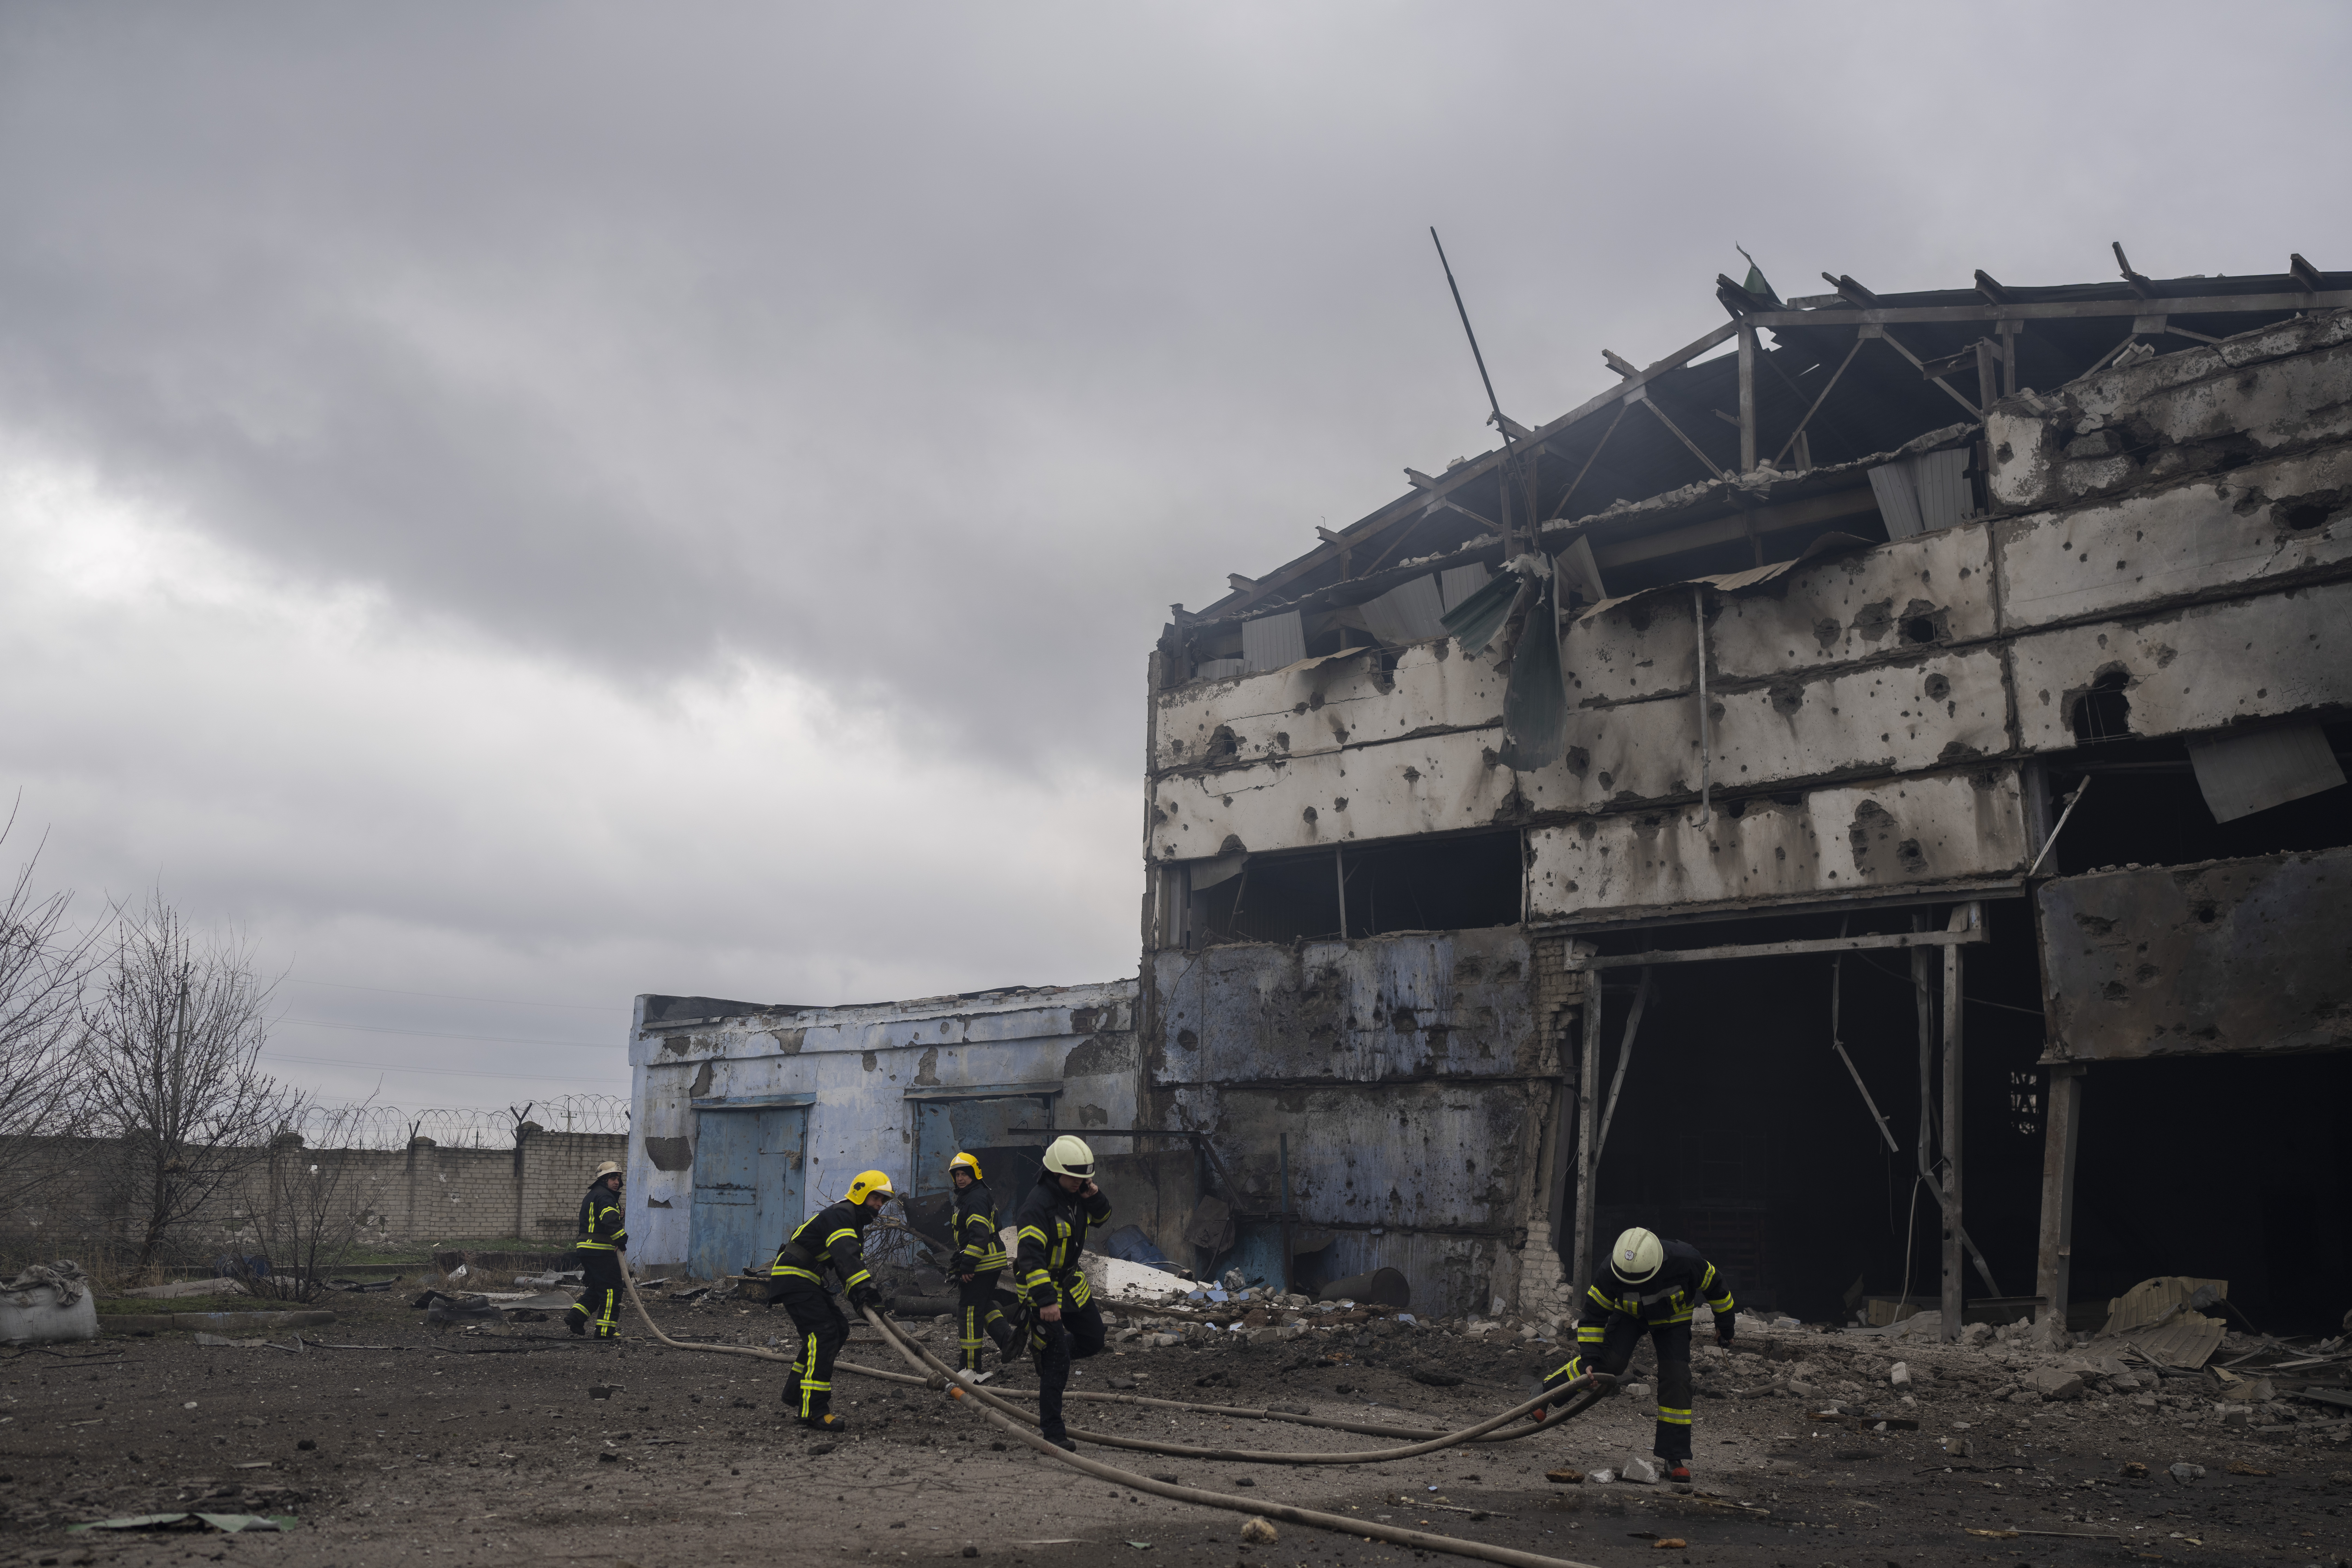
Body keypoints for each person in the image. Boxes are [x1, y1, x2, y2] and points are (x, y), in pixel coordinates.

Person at [1542, 1226, 1735, 1483]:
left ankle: (1673, 1458)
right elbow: (1594, 1316)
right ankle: (1546, 1394)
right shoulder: (1610, 1271)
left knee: (1677, 1379)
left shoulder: (1687, 1261)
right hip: (1630, 1316)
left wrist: (1726, 1327)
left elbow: (1718, 1289)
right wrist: (1589, 1358)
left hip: (1673, 1320)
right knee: (1608, 1363)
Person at [768, 1168, 895, 1432]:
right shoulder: (842, 1216)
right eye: (876, 1198)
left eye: (883, 1201)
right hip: (795, 1278)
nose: (879, 1205)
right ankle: (814, 1409)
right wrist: (868, 1292)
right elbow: (846, 1258)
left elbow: (844, 1268)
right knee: (823, 1335)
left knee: (838, 1329)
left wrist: (860, 1297)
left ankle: (796, 1391)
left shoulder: (849, 1220)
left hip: (805, 1279)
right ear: (861, 1195)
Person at [1011, 1135, 1111, 1451]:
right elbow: (1029, 1257)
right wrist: (1046, 1301)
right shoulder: (1036, 1206)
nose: (1082, 1182)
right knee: (1058, 1365)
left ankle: (1048, 1351)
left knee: (1094, 1340)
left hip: (1072, 1284)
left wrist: (1093, 1195)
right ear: (1057, 1173)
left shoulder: (1076, 1196)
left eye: (1087, 1178)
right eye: (1077, 1178)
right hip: (1044, 1289)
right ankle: (1053, 1433)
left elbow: (1103, 1218)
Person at [947, 1151, 1019, 1376]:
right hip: (990, 1259)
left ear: (975, 1174)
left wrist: (968, 1267)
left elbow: (979, 1235)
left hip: (982, 1262)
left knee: (968, 1310)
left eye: (965, 1174)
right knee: (983, 1303)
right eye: (957, 1174)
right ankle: (1007, 1339)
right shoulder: (972, 1196)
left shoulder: (975, 1198)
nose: (960, 1178)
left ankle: (970, 1365)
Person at [565, 1161, 627, 1339]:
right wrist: (622, 1242)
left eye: (618, 1179)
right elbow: (609, 1221)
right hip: (601, 1250)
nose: (617, 1182)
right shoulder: (606, 1197)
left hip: (586, 1249)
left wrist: (618, 1211)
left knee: (597, 1287)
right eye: (612, 1178)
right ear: (603, 1180)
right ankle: (605, 1331)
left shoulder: (594, 1195)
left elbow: (600, 1218)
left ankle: (576, 1317)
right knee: (612, 1290)